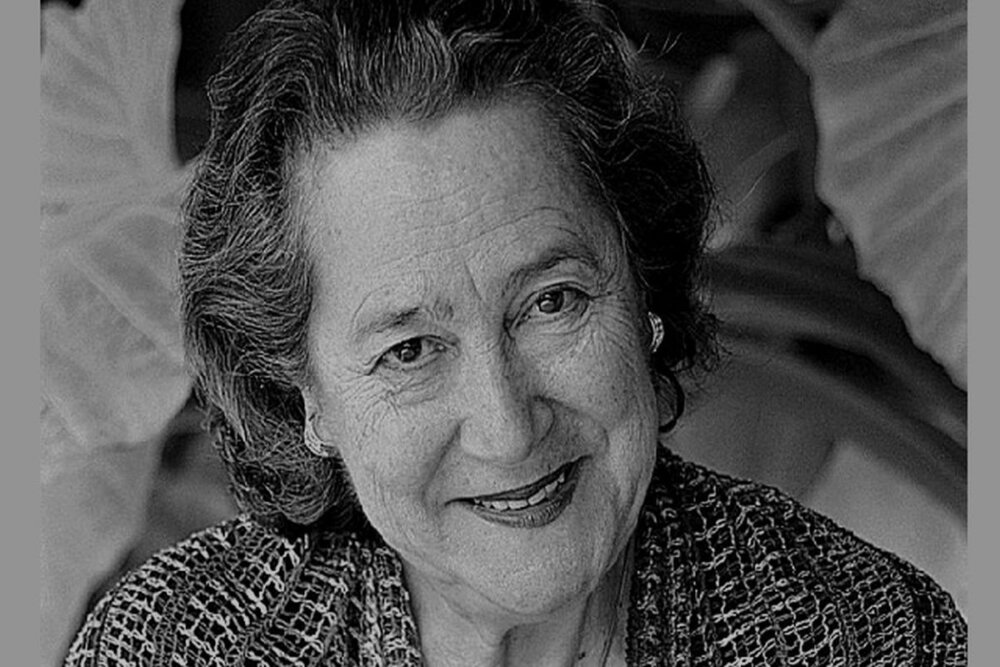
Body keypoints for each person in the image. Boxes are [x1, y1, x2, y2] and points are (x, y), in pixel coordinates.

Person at [64, 0, 967, 664]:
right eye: (408, 350)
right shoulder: (175, 646)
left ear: (643, 295)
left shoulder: (862, 632)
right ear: (309, 401)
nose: (507, 428)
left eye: (552, 303)